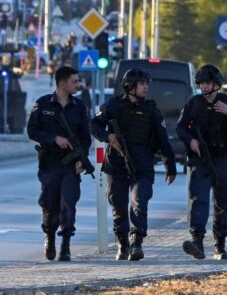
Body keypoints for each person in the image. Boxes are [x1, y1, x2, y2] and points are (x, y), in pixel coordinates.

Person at [91, 69, 177, 261]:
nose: (146, 87)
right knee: (119, 205)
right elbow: (94, 124)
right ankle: (122, 244)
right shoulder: (113, 106)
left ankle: (136, 242)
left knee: (139, 202)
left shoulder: (151, 110)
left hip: (143, 164)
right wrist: (108, 136)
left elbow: (163, 140)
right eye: (142, 83)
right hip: (116, 163)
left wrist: (170, 166)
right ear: (130, 86)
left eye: (147, 83)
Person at [176, 65, 227, 261]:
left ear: (216, 84)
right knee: (198, 197)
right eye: (201, 83)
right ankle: (197, 241)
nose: (204, 86)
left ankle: (220, 244)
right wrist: (191, 141)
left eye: (207, 83)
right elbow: (180, 128)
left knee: (223, 198)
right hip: (201, 158)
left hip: (224, 157)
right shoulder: (194, 104)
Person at [27, 66, 92, 262]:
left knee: (68, 203)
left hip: (71, 165)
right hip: (50, 163)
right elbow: (32, 131)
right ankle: (49, 237)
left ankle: (65, 246)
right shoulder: (43, 104)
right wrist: (54, 138)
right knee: (50, 203)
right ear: (62, 83)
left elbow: (85, 138)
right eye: (74, 81)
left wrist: (82, 159)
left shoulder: (79, 106)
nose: (77, 84)